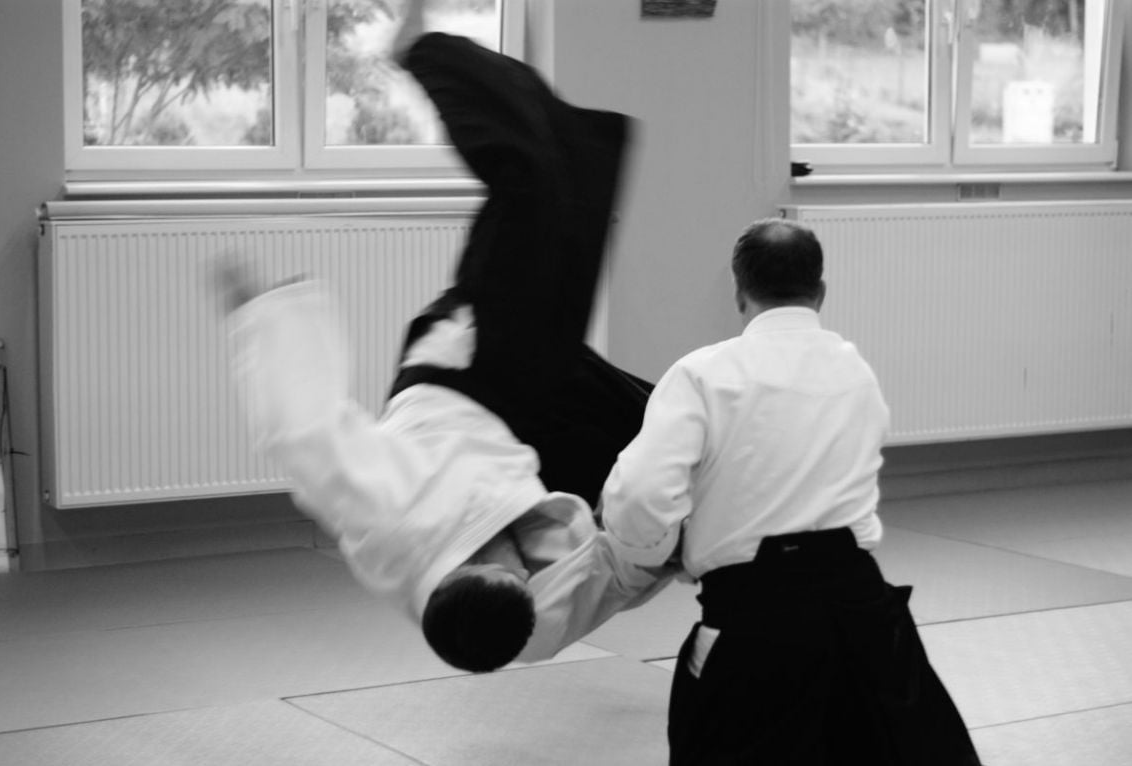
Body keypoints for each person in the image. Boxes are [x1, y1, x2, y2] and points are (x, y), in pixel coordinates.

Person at [223, 1, 672, 675]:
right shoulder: (535, 624)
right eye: (523, 571)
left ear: (457, 576)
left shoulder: (387, 519)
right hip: (537, 427)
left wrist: (264, 313)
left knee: (531, 183)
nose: (520, 561)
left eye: (504, 562)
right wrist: (681, 550)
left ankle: (424, 52)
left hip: (468, 376)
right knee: (672, 434)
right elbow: (617, 573)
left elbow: (304, 433)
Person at [600, 218, 982, 764]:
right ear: (820, 292)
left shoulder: (701, 374)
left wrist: (650, 555)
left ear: (739, 293)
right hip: (864, 615)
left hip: (754, 621)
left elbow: (638, 495)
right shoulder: (855, 370)